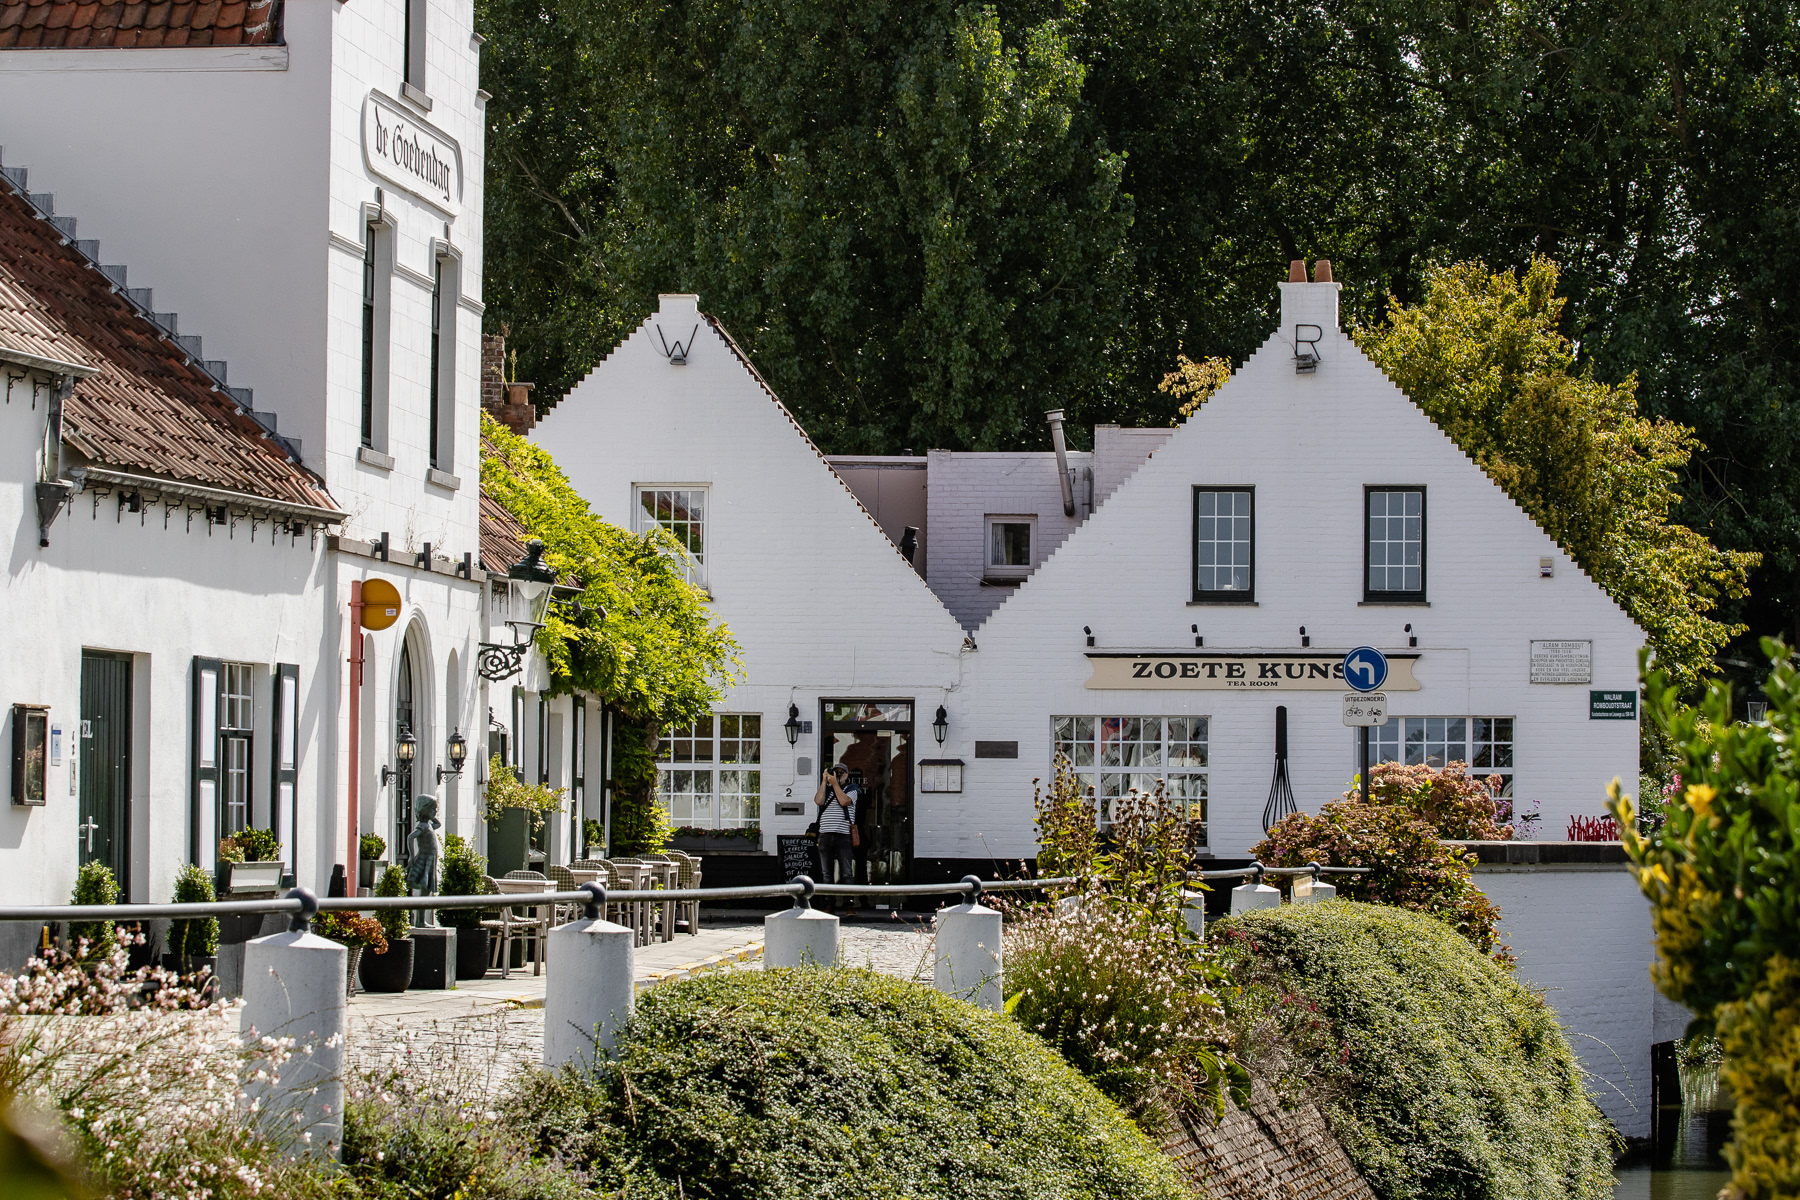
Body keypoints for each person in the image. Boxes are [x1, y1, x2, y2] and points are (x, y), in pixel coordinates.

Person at [813, 764, 858, 914]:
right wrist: (824, 782)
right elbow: (818, 801)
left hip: (843, 834)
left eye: (842, 772)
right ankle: (829, 905)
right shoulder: (827, 789)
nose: (838, 774)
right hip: (825, 834)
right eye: (835, 772)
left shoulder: (852, 788)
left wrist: (835, 784)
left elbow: (844, 801)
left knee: (846, 872)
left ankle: (849, 905)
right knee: (827, 873)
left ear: (847, 774)